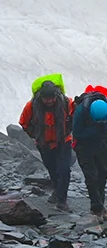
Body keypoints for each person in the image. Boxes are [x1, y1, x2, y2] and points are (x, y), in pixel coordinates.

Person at [19, 80, 74, 212]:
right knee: (52, 169)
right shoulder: (31, 106)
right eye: (46, 99)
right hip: (44, 143)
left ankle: (62, 201)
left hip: (63, 141)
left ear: (56, 95)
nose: (49, 101)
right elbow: (24, 122)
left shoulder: (67, 103)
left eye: (51, 98)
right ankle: (57, 190)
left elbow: (75, 115)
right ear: (41, 97)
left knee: (64, 169)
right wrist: (35, 135)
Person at [72, 87, 107, 221]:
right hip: (83, 146)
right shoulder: (81, 112)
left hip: (101, 143)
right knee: (91, 176)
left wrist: (106, 130)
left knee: (102, 174)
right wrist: (95, 130)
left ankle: (100, 207)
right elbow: (77, 134)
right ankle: (97, 208)